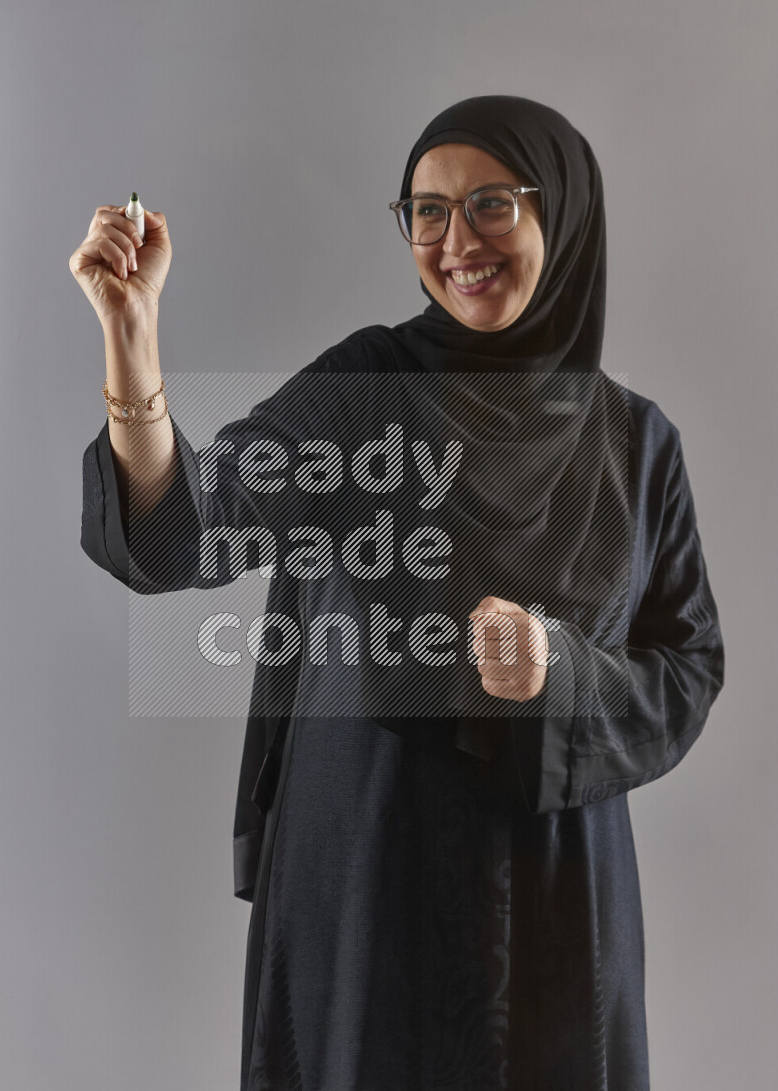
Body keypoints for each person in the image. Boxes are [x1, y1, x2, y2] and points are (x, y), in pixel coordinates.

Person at [71, 96, 725, 1090]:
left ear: (565, 213)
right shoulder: (360, 392)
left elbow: (683, 670)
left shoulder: (634, 446)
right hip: (366, 872)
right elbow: (185, 533)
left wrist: (558, 666)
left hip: (555, 896)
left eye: (490, 204)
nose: (455, 241)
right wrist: (132, 339)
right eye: (424, 211)